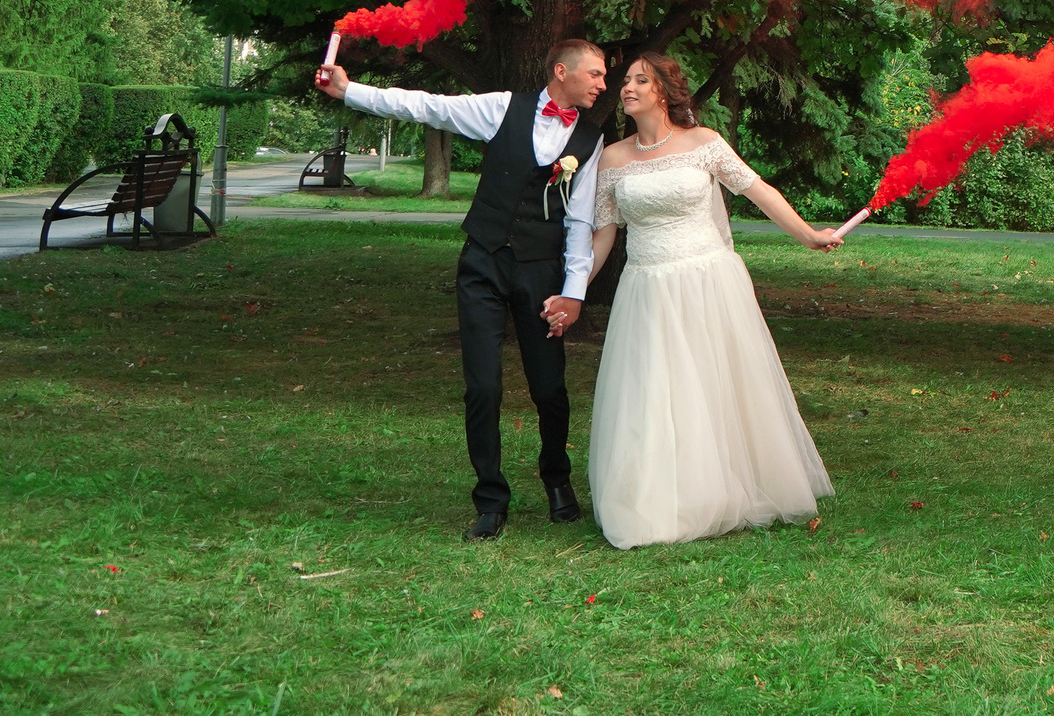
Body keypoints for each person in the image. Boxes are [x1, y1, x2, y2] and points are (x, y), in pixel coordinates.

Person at [315, 38, 609, 540]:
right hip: (483, 264)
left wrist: (574, 291)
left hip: (541, 272)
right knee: (483, 386)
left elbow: (580, 220)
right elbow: (427, 106)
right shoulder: (500, 108)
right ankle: (491, 500)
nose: (603, 84)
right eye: (597, 74)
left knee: (549, 388)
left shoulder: (591, 139)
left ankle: (557, 480)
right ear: (562, 71)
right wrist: (350, 91)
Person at [555, 52, 839, 548]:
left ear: (663, 91)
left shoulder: (704, 144)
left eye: (640, 80)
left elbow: (759, 190)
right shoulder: (613, 158)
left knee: (713, 383)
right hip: (647, 287)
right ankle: (661, 496)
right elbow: (603, 234)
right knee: (654, 389)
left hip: (708, 280)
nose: (627, 87)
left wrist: (807, 234)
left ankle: (726, 485)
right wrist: (572, 292)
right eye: (624, 81)